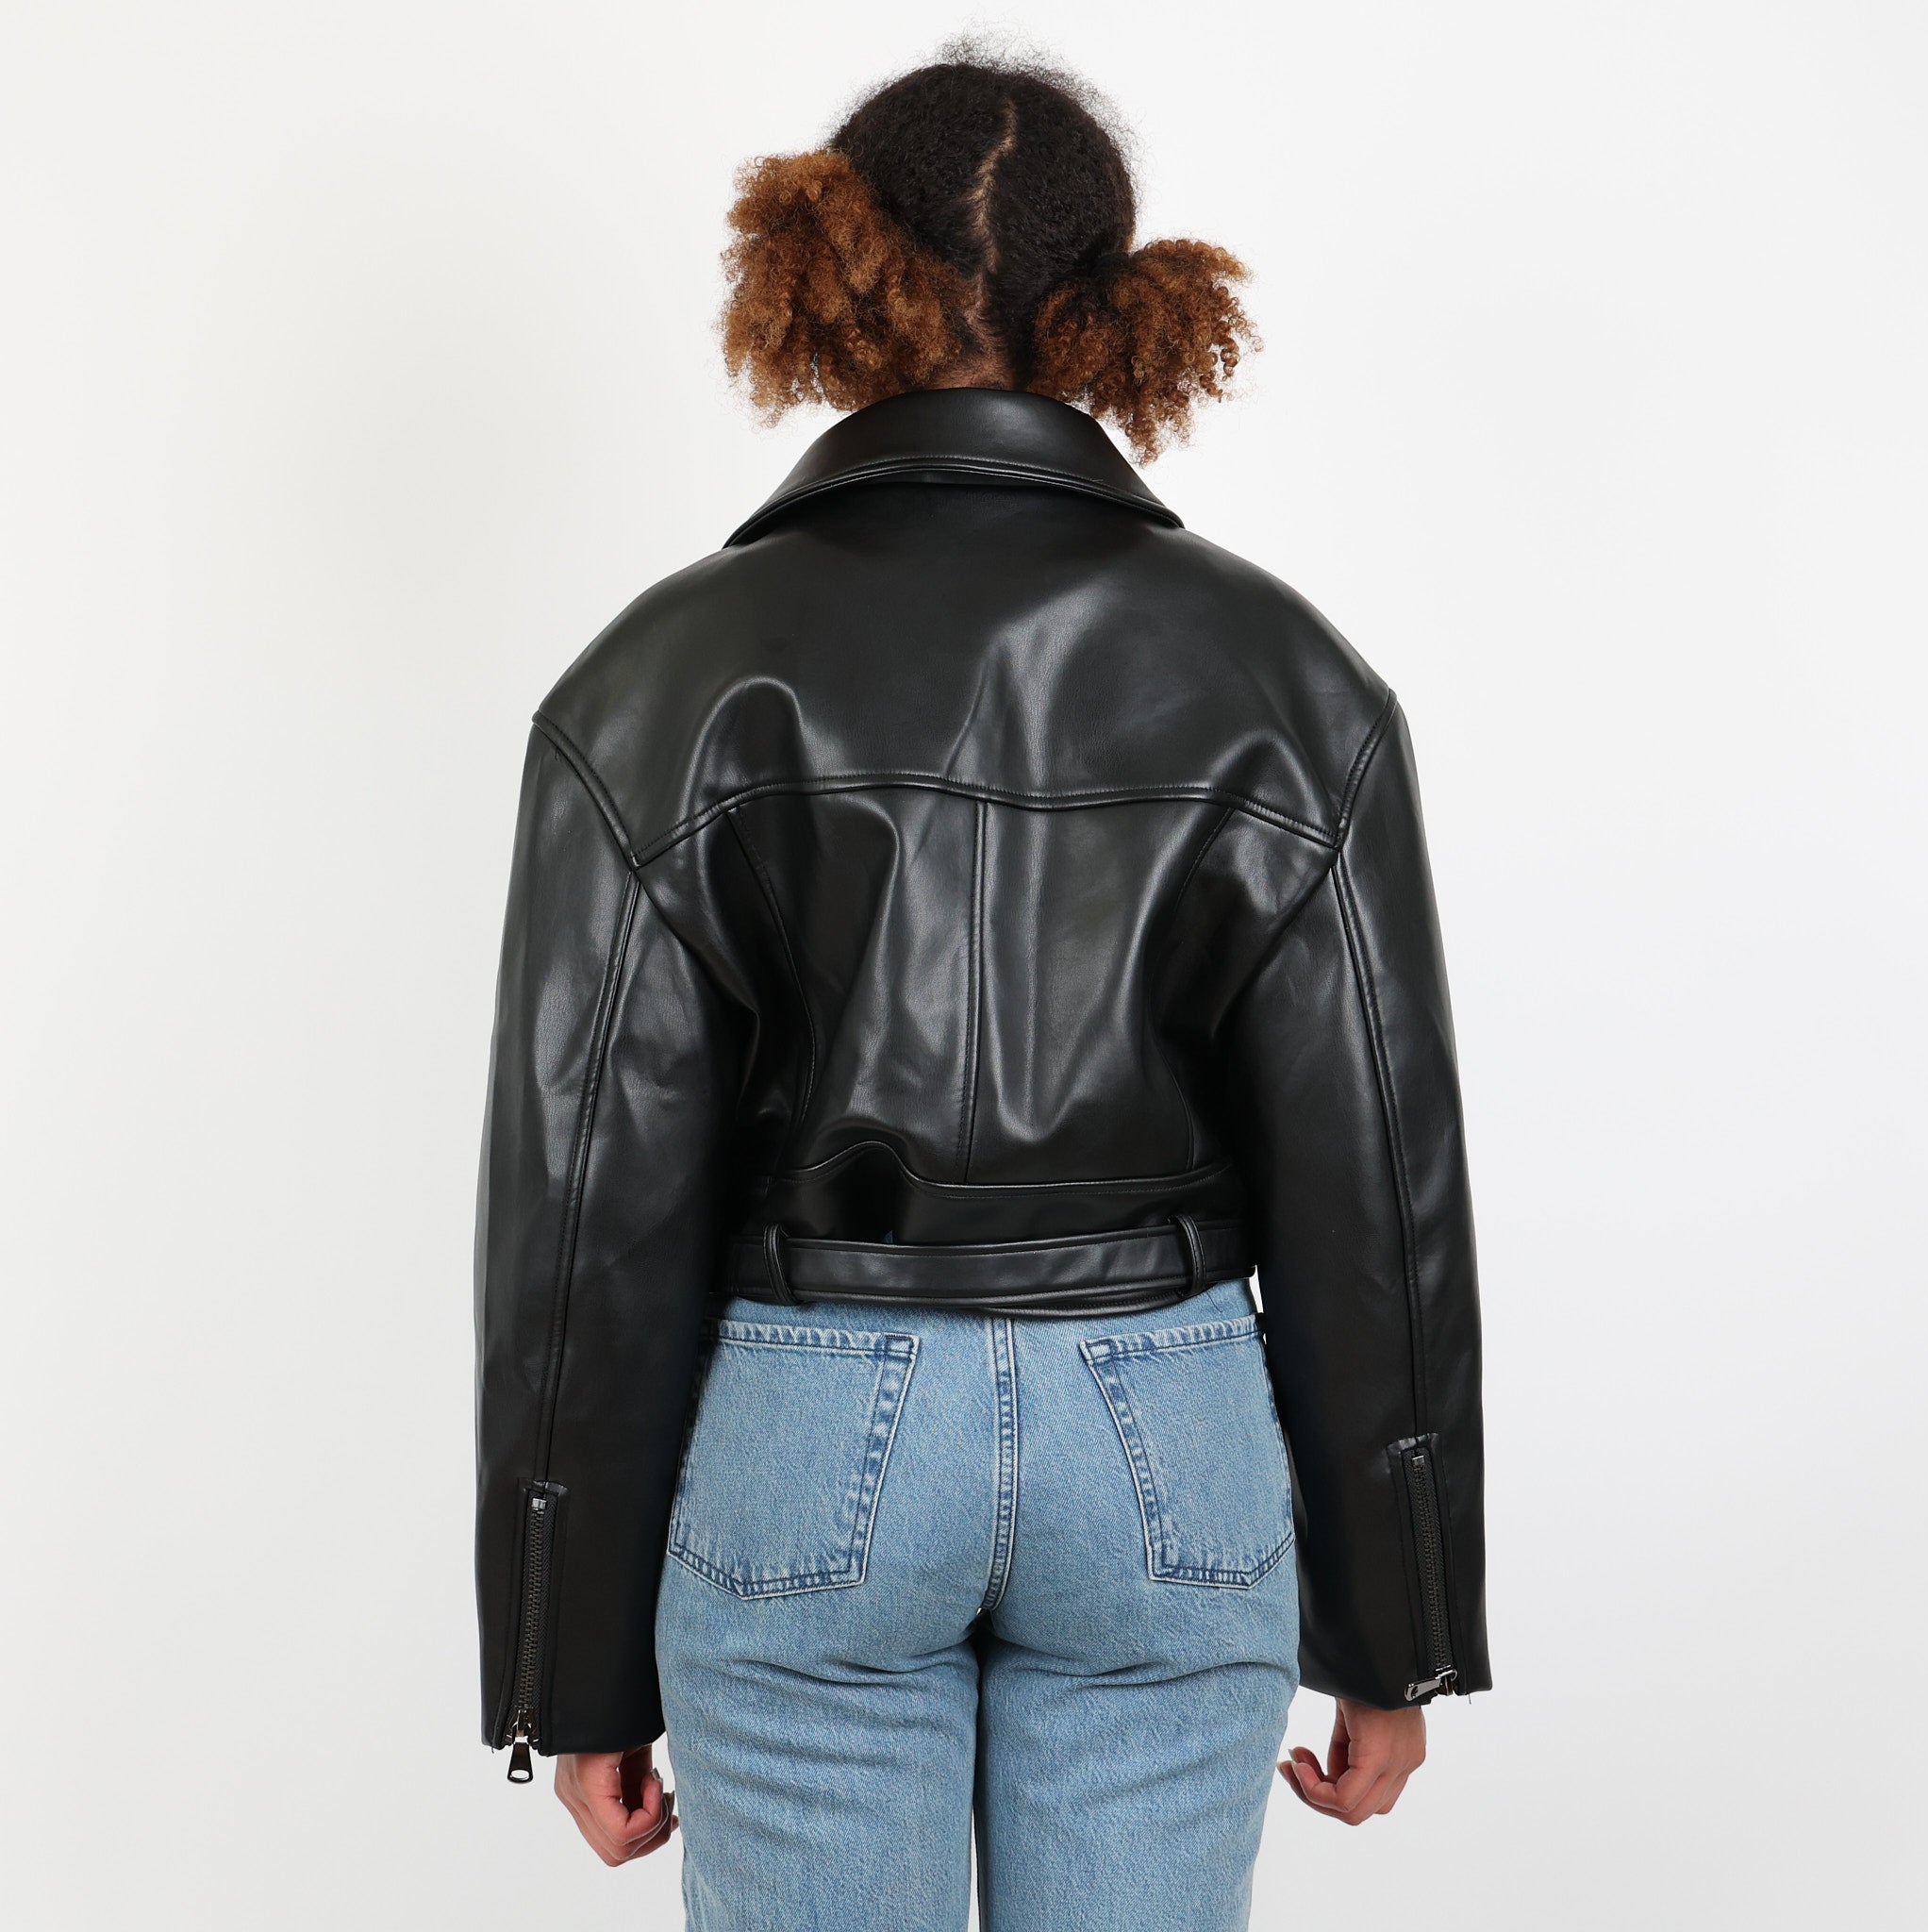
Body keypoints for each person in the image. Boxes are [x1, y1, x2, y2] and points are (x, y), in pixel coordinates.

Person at [474, 51, 1489, 1932]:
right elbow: (1376, 1183)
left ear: (819, 268)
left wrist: (566, 1662)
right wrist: (1398, 1624)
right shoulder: (1287, 674)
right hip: (1167, 1417)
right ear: (1117, 301)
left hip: (809, 1421)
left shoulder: (658, 677)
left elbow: (589, 1194)